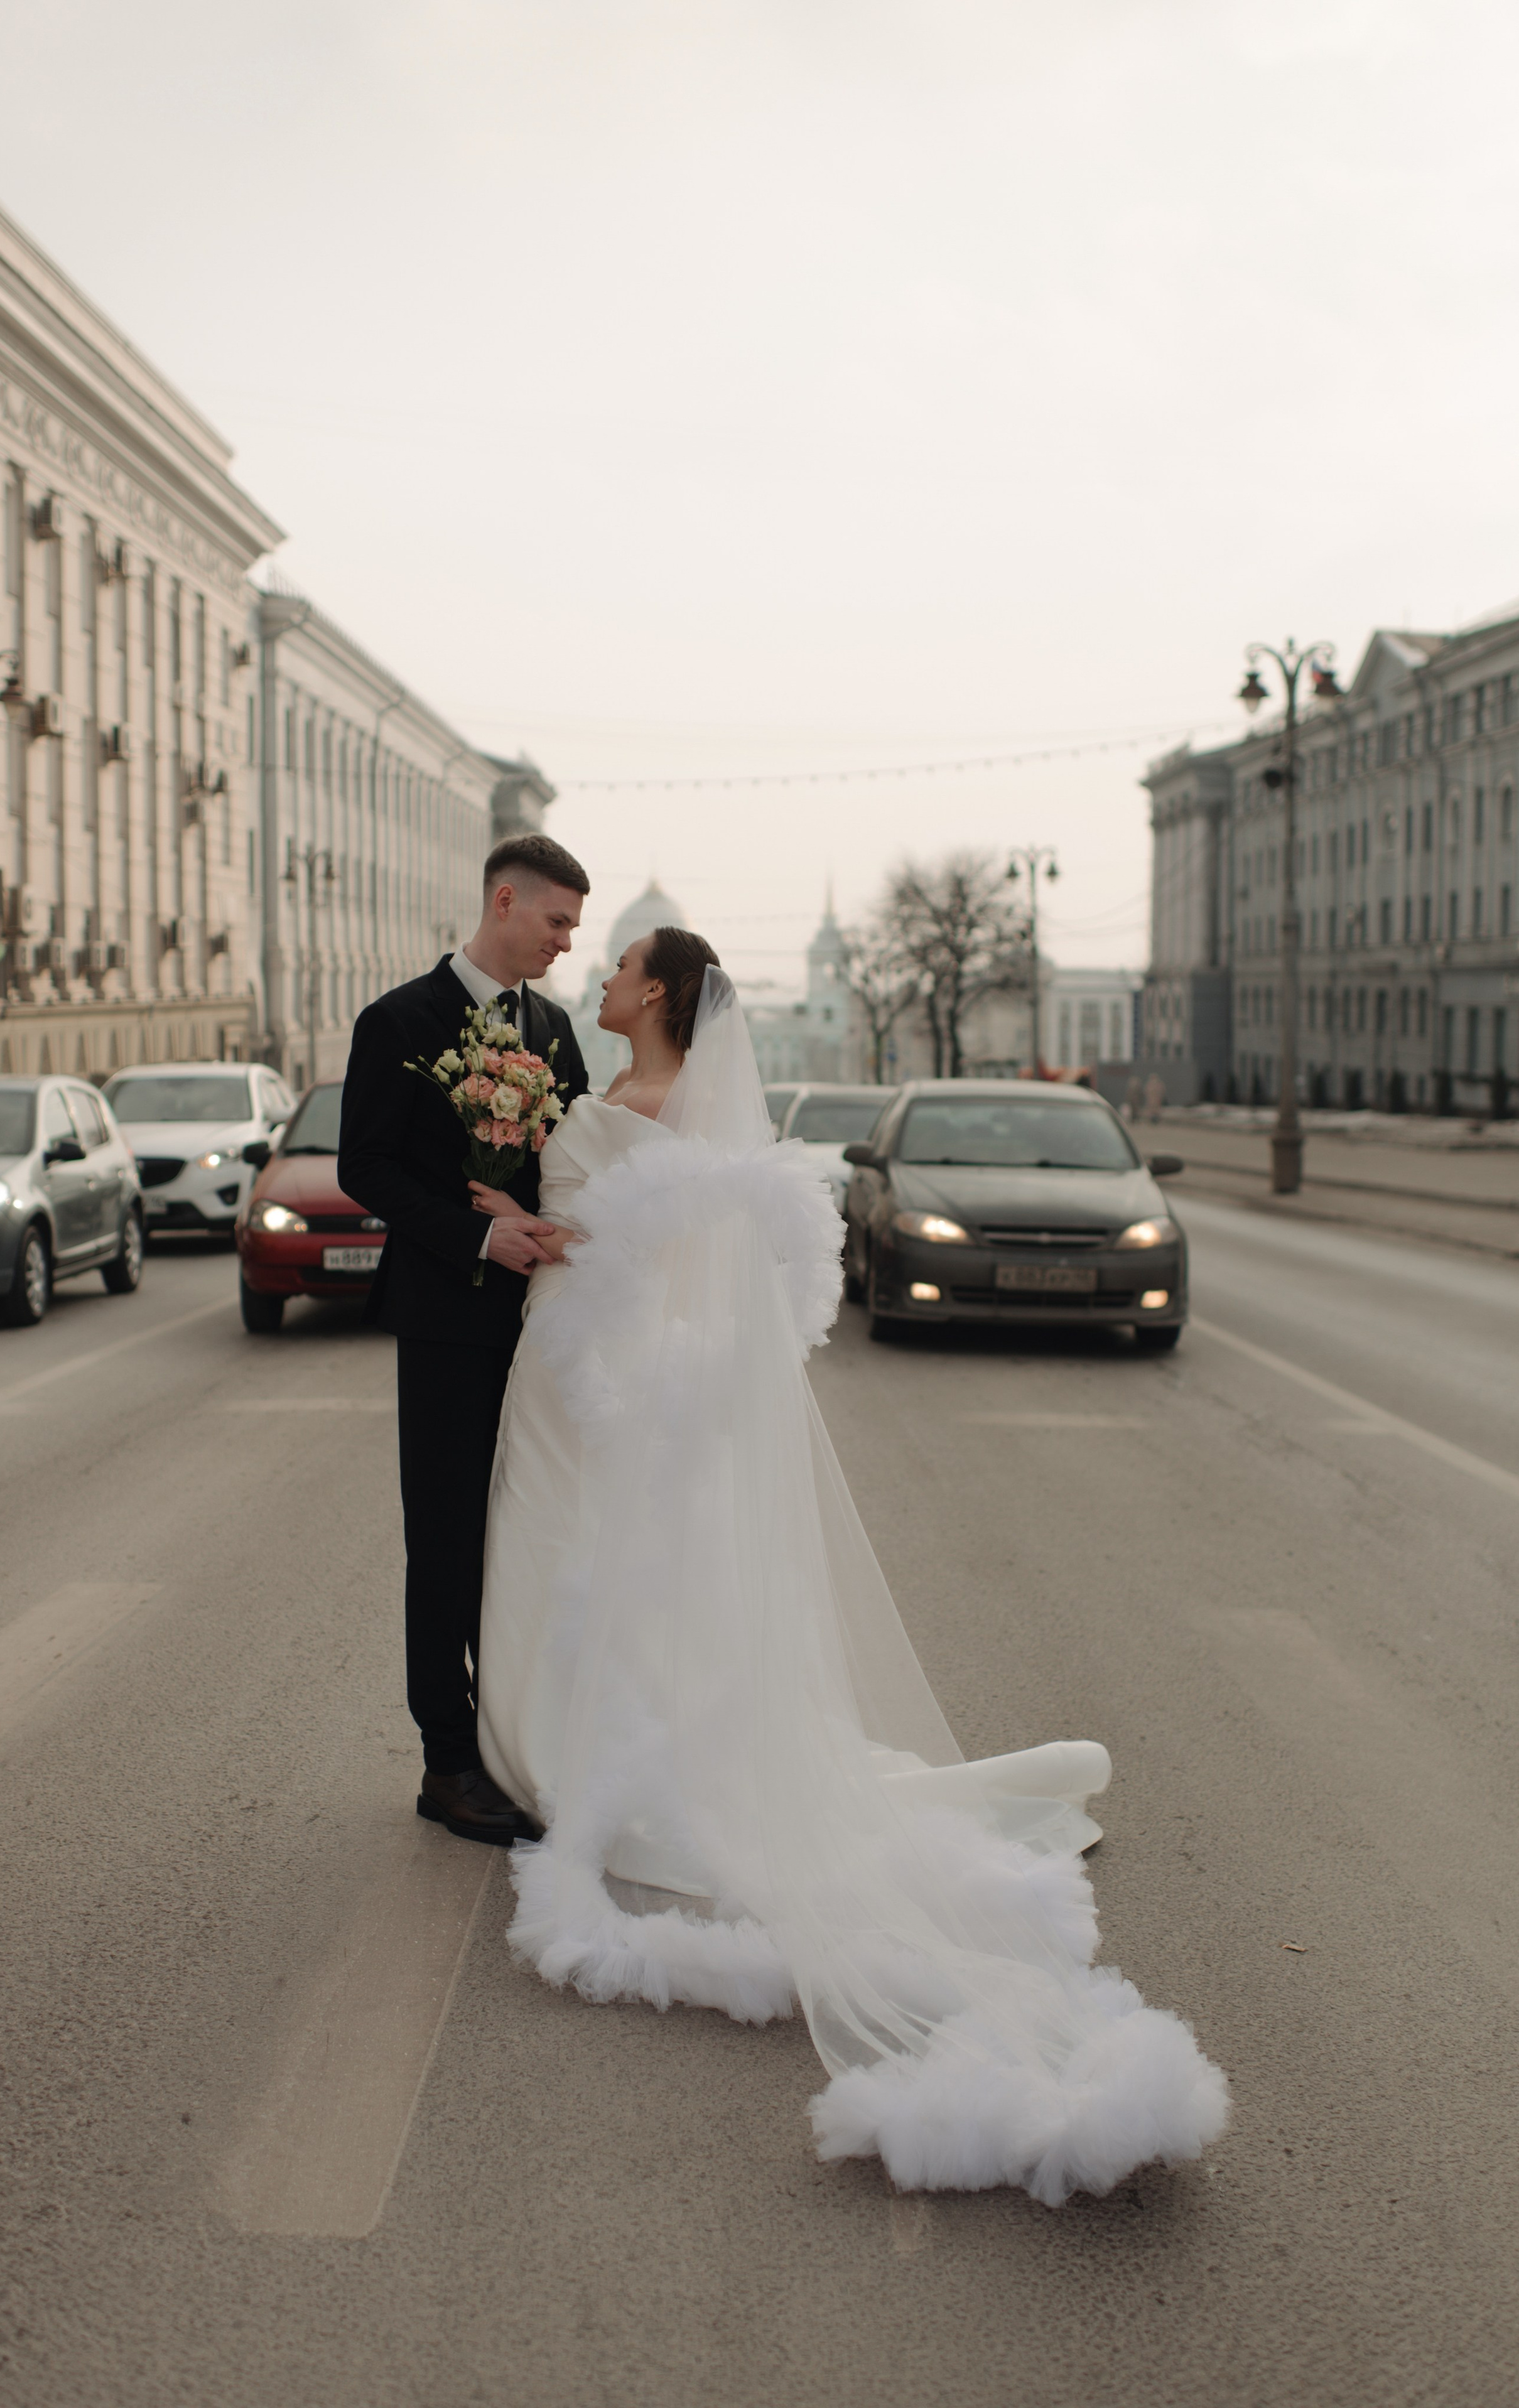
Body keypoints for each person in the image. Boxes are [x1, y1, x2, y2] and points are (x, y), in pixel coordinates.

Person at [471, 927, 1229, 2206]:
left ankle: (551, 1750)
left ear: (653, 993)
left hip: (575, 1358)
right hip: (613, 1367)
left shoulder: (619, 1107)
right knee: (601, 1556)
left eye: (613, 969)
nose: (594, 983)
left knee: (560, 1547)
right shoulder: (681, 1109)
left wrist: (516, 1222)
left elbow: (605, 1246)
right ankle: (581, 1735)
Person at [338, 834, 591, 1846]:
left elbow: (565, 1155)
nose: (568, 943)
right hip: (446, 1318)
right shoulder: (399, 1020)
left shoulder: (556, 1029)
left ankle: (514, 1739)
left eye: (575, 926)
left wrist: (551, 1220)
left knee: (525, 1534)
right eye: (557, 921)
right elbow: (367, 1167)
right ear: (504, 901)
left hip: (540, 1325)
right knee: (444, 1538)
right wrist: (476, 1230)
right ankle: (447, 1762)